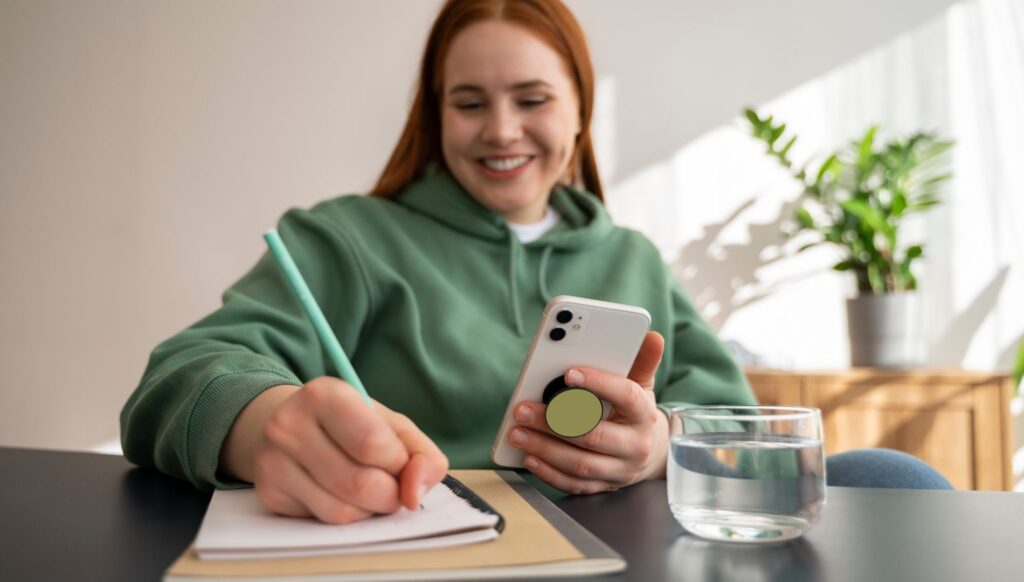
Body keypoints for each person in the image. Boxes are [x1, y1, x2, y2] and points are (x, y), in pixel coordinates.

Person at [120, 0, 949, 526]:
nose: (502, 130)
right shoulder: (348, 240)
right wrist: (263, 422)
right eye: (469, 102)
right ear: (433, 117)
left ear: (582, 114)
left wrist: (659, 447)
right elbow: (180, 375)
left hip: (633, 546)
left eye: (534, 99)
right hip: (449, 541)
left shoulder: (630, 257)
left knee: (892, 476)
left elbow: (730, 426)